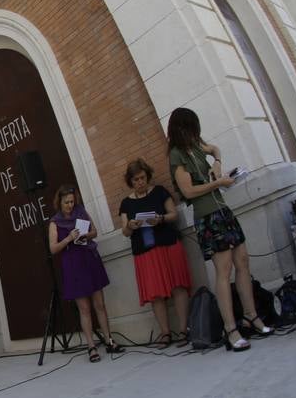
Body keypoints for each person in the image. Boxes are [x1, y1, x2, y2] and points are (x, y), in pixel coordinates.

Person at [166, 107, 272, 351]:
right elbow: (188, 191)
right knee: (223, 270)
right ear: (182, 127)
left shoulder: (195, 146)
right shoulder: (176, 155)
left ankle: (251, 315)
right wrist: (218, 182)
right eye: (191, 127)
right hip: (207, 216)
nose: (195, 132)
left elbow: (214, 149)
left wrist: (218, 162)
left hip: (223, 211)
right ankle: (230, 328)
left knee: (242, 262)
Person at [117, 158, 193, 347]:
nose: (140, 182)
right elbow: (124, 231)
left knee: (178, 286)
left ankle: (184, 329)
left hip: (167, 243)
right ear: (130, 181)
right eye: (135, 180)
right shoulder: (126, 203)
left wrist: (160, 219)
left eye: (142, 178)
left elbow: (173, 214)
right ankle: (165, 333)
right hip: (145, 251)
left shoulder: (159, 192)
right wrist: (131, 225)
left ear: (147, 176)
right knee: (156, 293)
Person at [48, 184, 122, 362]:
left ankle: (109, 340)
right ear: (60, 202)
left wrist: (85, 236)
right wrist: (68, 238)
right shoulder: (54, 222)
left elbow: (94, 231)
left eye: (72, 201)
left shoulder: (81, 212)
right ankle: (91, 346)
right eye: (66, 202)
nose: (70, 205)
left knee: (100, 305)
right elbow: (53, 248)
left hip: (89, 259)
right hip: (73, 265)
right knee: (85, 309)